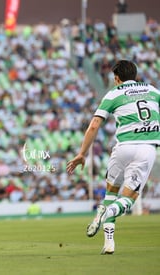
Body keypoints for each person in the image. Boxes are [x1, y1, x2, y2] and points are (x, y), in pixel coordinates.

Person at [66, 60, 159, 254]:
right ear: (135, 75)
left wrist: (81, 154)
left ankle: (109, 242)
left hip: (122, 148)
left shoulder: (113, 94)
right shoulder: (153, 91)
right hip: (146, 149)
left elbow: (93, 126)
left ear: (116, 78)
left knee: (110, 195)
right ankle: (106, 213)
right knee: (128, 199)